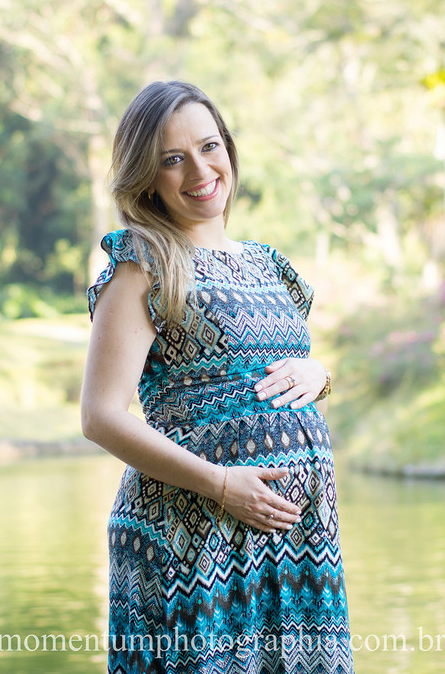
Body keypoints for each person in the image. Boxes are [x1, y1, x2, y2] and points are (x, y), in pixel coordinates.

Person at [81, 81, 353, 673]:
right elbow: (100, 416)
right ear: (146, 177)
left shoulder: (271, 266)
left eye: (209, 146)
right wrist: (222, 484)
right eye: (171, 160)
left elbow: (286, 404)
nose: (199, 170)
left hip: (294, 547)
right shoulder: (143, 261)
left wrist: (318, 374)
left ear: (228, 148)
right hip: (193, 537)